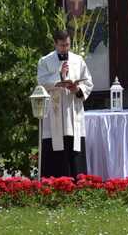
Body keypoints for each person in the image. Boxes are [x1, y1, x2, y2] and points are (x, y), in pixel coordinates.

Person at [37, 30, 93, 177]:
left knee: (74, 157)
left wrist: (77, 89)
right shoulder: (45, 61)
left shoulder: (78, 60)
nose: (65, 48)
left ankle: (78, 185)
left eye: (67, 45)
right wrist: (59, 76)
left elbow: (88, 83)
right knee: (55, 158)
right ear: (55, 44)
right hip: (54, 118)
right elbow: (41, 83)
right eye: (62, 45)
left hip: (72, 114)